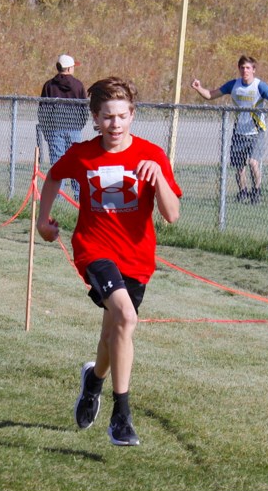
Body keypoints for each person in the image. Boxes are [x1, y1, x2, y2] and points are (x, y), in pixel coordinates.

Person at [36, 77, 182, 447]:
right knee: (127, 318)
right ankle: (121, 417)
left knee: (113, 332)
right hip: (94, 249)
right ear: (95, 118)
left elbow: (172, 215)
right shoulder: (83, 154)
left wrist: (159, 179)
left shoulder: (151, 155)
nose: (115, 125)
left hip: (136, 257)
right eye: (107, 117)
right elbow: (53, 175)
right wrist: (43, 220)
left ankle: (93, 382)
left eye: (121, 116)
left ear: (132, 115)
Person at [190, 55, 268, 204]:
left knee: (253, 162)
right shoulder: (234, 85)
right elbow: (210, 95)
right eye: (242, 68)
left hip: (256, 131)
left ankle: (257, 191)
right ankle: (243, 192)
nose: (245, 70)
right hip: (239, 131)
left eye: (248, 68)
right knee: (239, 166)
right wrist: (198, 88)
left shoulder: (260, 86)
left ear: (253, 70)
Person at [38, 53, 88, 198]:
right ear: (69, 68)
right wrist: (78, 124)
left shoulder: (49, 85)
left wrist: (47, 129)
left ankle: (57, 197)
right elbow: (84, 109)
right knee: (76, 163)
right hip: (74, 129)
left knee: (57, 164)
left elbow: (43, 110)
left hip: (55, 129)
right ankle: (79, 197)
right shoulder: (78, 85)